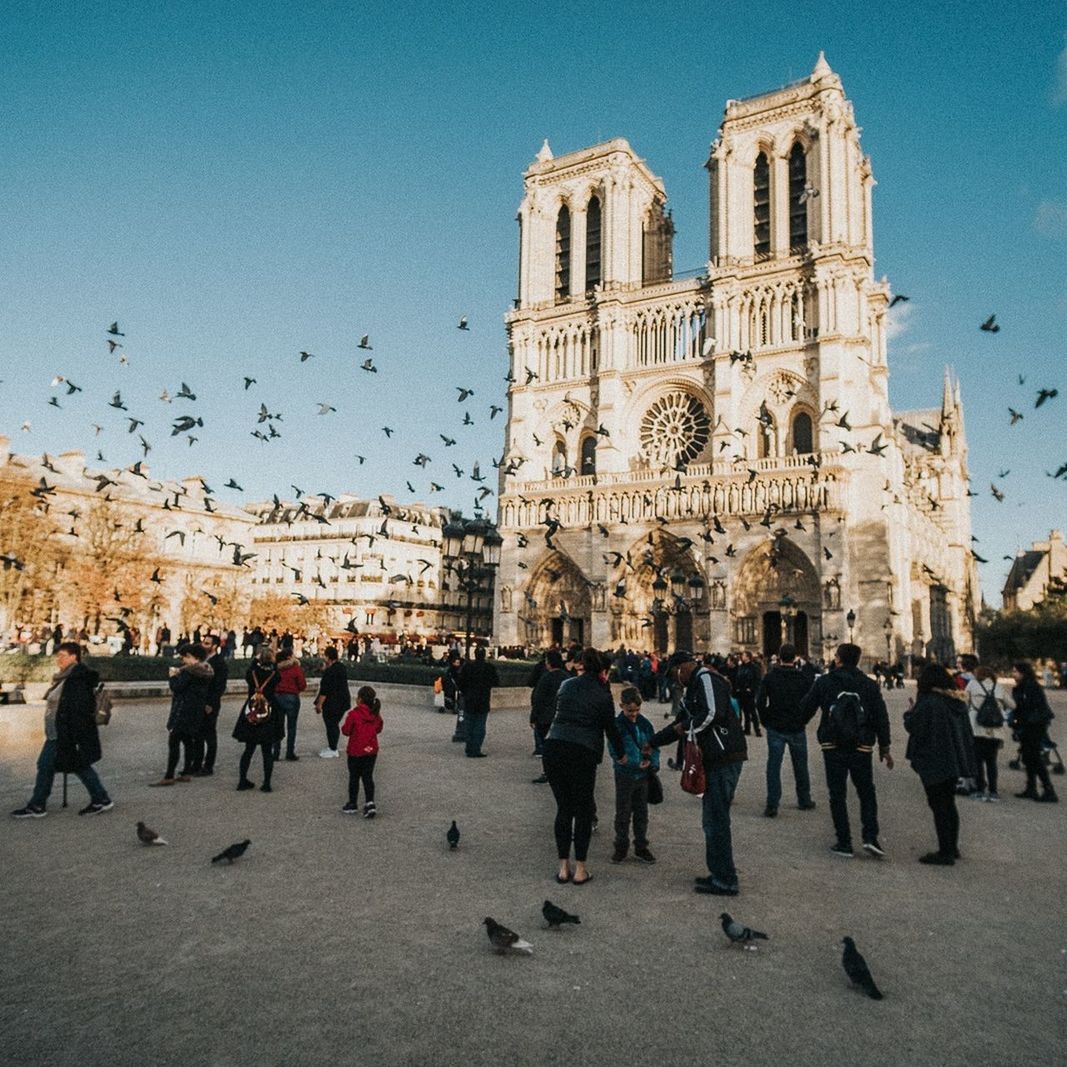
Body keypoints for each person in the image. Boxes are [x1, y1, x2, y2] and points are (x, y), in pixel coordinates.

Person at [645, 651, 747, 895]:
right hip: (715, 759)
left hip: (724, 757)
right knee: (712, 820)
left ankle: (726, 880)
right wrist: (654, 741)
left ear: (685, 666)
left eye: (674, 673)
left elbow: (712, 714)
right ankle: (719, 873)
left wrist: (688, 729)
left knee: (717, 820)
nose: (675, 679)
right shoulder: (694, 687)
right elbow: (679, 724)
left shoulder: (706, 679)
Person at [798, 642, 892, 858]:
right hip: (862, 745)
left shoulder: (826, 682)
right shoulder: (868, 685)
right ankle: (870, 837)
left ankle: (844, 842)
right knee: (866, 791)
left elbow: (806, 708)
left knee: (837, 793)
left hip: (833, 744)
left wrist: (798, 724)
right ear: (858, 660)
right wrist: (884, 746)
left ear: (838, 659)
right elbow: (881, 716)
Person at [542, 647, 625, 885]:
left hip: (554, 747)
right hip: (582, 751)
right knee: (583, 810)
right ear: (602, 671)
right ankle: (580, 870)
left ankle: (562, 868)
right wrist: (620, 755)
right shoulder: (602, 692)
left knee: (564, 808)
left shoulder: (566, 685)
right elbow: (611, 729)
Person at [11, 642, 113, 817]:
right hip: (57, 732)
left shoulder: (76, 680)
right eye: (58, 656)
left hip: (64, 733)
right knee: (70, 765)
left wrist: (72, 735)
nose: (59, 659)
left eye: (62, 656)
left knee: (51, 765)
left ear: (74, 657)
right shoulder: (64, 677)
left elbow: (78, 709)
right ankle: (100, 798)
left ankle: (38, 805)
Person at [903, 664, 977, 865]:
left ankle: (945, 852)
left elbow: (915, 726)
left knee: (939, 806)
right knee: (948, 804)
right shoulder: (955, 701)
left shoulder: (928, 702)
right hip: (952, 759)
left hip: (933, 759)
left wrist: (909, 713)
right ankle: (951, 847)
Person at [755, 642, 817, 817]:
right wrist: (803, 719)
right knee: (801, 766)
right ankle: (804, 799)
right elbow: (811, 703)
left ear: (779, 657)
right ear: (795, 657)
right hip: (796, 727)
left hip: (775, 727)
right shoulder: (802, 678)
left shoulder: (770, 677)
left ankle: (772, 804)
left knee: (773, 766)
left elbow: (759, 703)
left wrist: (766, 720)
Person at [608, 687, 659, 864]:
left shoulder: (644, 724)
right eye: (630, 711)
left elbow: (654, 745)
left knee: (641, 813)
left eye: (637, 710)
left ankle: (640, 845)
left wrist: (652, 761)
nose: (634, 714)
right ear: (621, 706)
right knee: (623, 813)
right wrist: (631, 761)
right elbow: (614, 749)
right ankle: (621, 846)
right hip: (625, 774)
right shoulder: (618, 725)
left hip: (641, 775)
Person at [151, 644, 214, 787]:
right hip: (195, 711)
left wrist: (172, 677)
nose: (184, 660)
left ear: (195, 658)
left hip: (183, 710)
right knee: (188, 741)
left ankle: (169, 775)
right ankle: (186, 772)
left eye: (186, 656)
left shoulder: (189, 672)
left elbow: (177, 688)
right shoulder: (206, 671)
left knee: (174, 742)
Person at [234, 647, 280, 792]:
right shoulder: (274, 675)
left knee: (248, 749)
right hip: (269, 712)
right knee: (267, 751)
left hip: (252, 711)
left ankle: (242, 780)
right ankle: (267, 783)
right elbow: (277, 673)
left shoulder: (251, 673)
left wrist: (256, 659)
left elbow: (251, 668)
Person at [1011, 661, 1058, 802]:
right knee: (1028, 757)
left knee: (1034, 757)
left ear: (1023, 673)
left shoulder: (1030, 687)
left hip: (1034, 725)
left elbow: (1030, 706)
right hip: (1028, 724)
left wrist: (1022, 721)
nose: (1013, 674)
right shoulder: (1022, 687)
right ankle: (1031, 787)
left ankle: (1048, 789)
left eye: (1015, 671)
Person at [964, 665, 1013, 801]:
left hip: (977, 727)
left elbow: (964, 702)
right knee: (992, 761)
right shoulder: (998, 687)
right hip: (995, 730)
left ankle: (980, 789)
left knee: (978, 761)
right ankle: (993, 791)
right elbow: (1012, 705)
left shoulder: (972, 685)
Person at [341, 685, 383, 817]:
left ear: (359, 699)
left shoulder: (354, 714)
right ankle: (370, 802)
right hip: (371, 751)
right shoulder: (375, 715)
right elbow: (378, 728)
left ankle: (352, 803)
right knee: (368, 777)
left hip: (356, 750)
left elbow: (346, 731)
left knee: (354, 777)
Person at [189, 633, 228, 776]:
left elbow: (219, 686)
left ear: (215, 646)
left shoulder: (219, 663)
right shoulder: (200, 660)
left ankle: (208, 766)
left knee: (209, 735)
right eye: (203, 642)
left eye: (207, 643)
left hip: (210, 703)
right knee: (197, 735)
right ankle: (196, 764)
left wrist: (210, 703)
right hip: (198, 701)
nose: (203, 645)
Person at [530, 649, 567, 783]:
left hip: (546, 718)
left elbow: (538, 699)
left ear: (549, 663)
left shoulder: (546, 677)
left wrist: (533, 718)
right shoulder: (567, 677)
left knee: (547, 747)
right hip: (562, 717)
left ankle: (548, 772)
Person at [458, 645, 500, 757]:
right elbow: (496, 682)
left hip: (469, 699)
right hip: (483, 700)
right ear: (484, 655)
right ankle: (476, 749)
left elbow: (460, 682)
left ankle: (469, 747)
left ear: (474, 654)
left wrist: (466, 692)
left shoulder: (468, 667)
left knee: (469, 725)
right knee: (479, 726)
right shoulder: (489, 668)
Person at [315, 646, 351, 758]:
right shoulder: (341, 667)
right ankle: (332, 746)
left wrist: (319, 704)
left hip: (332, 703)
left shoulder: (330, 672)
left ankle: (333, 748)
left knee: (331, 725)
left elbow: (325, 690)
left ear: (328, 656)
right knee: (333, 724)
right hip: (343, 701)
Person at [273, 647, 307, 761]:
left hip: (277, 697)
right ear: (289, 657)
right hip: (292, 697)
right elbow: (302, 684)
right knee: (291, 727)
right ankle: (289, 752)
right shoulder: (295, 668)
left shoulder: (276, 668)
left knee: (278, 726)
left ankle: (276, 753)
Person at [735, 651, 763, 737]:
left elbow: (757, 679)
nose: (742, 657)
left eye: (743, 655)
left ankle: (757, 729)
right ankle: (747, 729)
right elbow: (738, 678)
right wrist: (738, 688)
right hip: (741, 692)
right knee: (745, 712)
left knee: (752, 712)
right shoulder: (741, 667)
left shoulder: (754, 667)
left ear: (748, 657)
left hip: (749, 692)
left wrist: (751, 688)